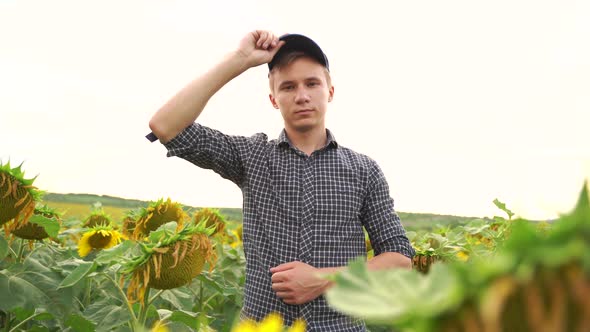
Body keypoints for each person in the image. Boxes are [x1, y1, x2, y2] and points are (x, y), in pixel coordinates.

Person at [148, 30, 415, 331]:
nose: (301, 95)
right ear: (274, 99)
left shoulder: (364, 170)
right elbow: (166, 126)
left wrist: (322, 279)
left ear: (330, 91)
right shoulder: (251, 156)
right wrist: (240, 60)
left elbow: (399, 257)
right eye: (288, 87)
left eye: (312, 83)